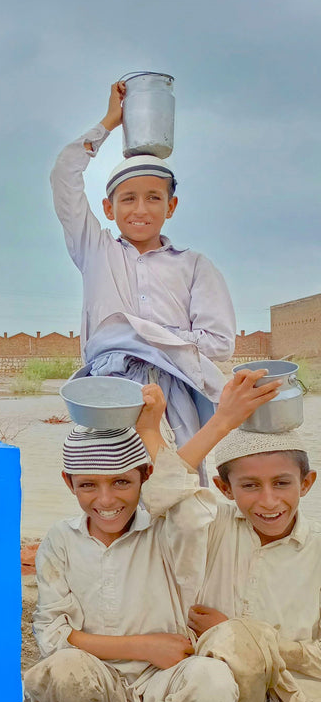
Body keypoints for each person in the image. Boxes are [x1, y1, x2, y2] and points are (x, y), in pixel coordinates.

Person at [24, 383, 250, 702]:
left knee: (214, 681)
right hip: (96, 678)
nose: (107, 500)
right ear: (68, 483)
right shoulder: (61, 540)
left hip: (164, 681)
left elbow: (183, 499)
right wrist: (143, 645)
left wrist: (157, 430)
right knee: (65, 669)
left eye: (122, 482)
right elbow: (53, 636)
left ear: (146, 476)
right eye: (89, 485)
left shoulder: (167, 528)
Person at [51, 80, 237, 464]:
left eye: (154, 198)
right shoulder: (95, 250)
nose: (141, 209)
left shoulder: (194, 266)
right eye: (128, 198)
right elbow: (63, 177)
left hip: (174, 395)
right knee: (108, 489)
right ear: (108, 207)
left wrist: (141, 337)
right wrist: (108, 123)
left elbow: (220, 343)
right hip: (106, 392)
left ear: (171, 207)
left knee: (175, 490)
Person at [171, 419, 321, 702]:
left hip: (295, 691)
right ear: (223, 488)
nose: (268, 501)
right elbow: (165, 491)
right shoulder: (209, 525)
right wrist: (225, 416)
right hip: (214, 685)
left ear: (307, 483)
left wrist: (245, 636)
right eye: (250, 486)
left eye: (282, 483)